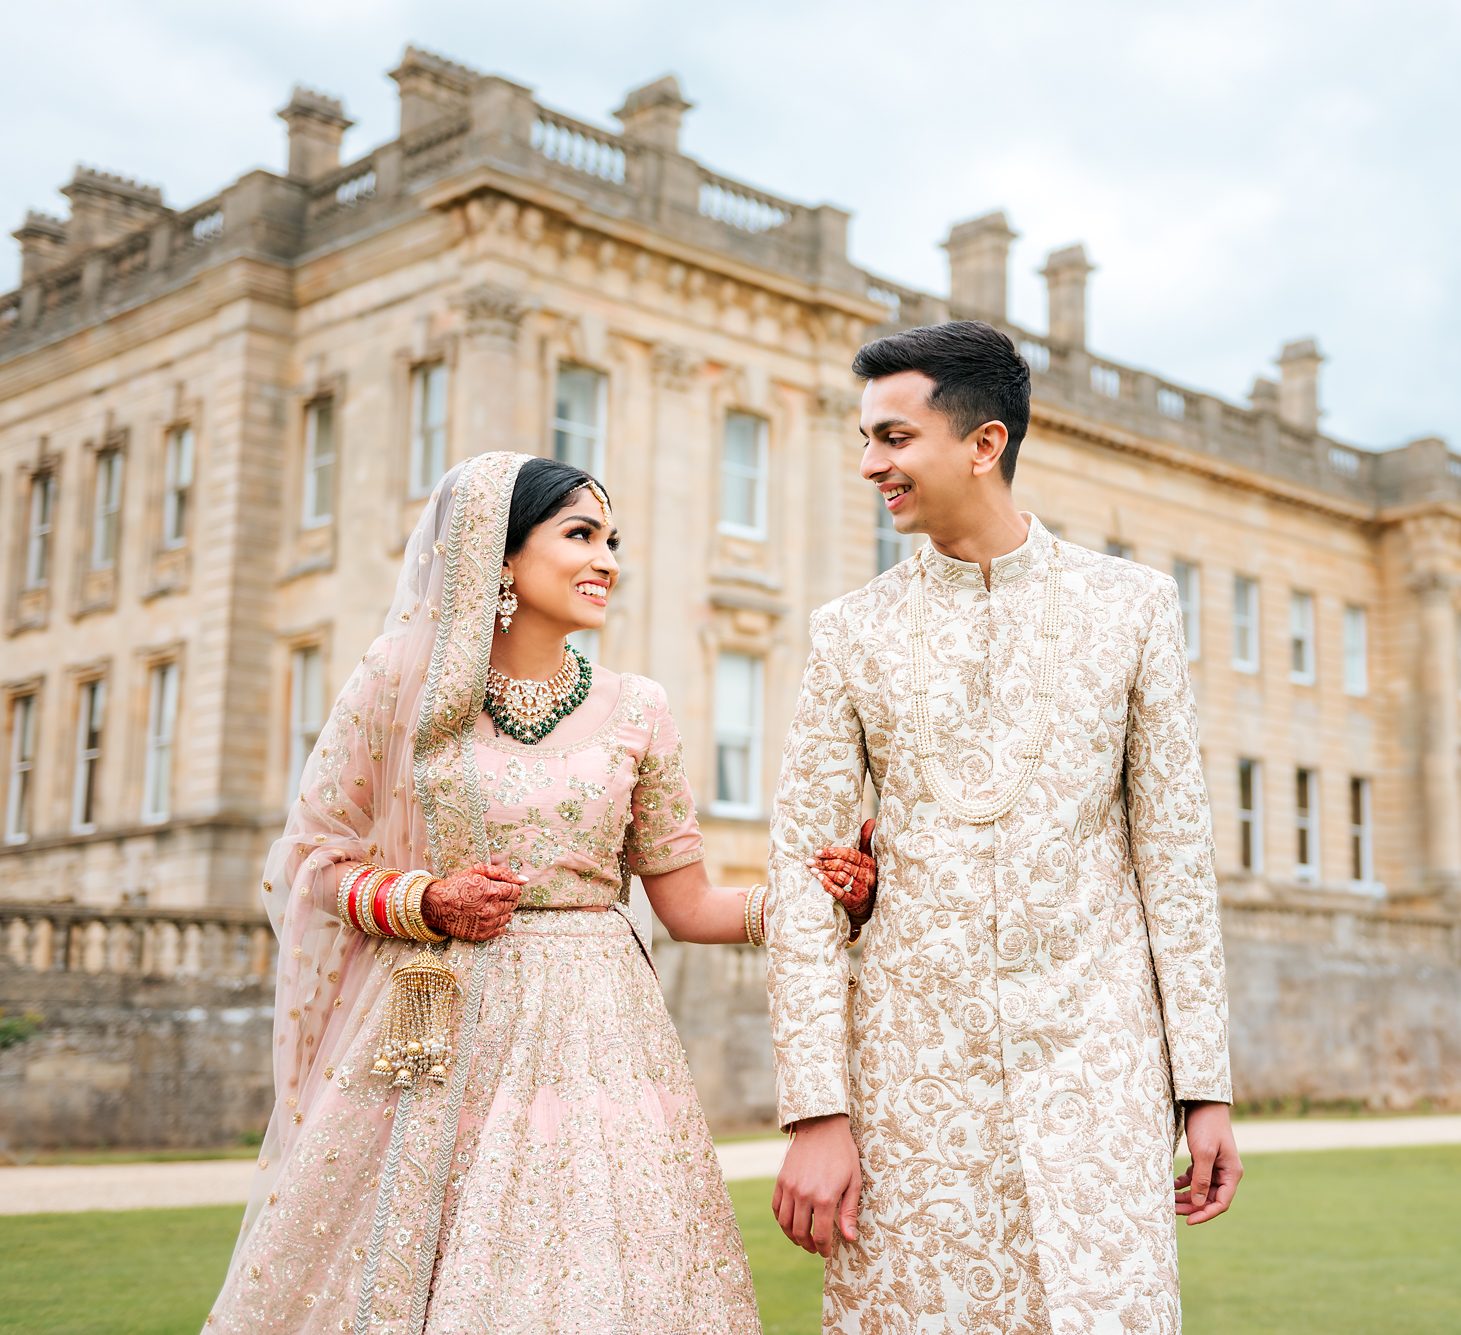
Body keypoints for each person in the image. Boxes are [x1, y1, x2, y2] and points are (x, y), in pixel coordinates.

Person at [207, 451, 874, 1334]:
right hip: (435, 1023)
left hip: (602, 1031)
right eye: (581, 535)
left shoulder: (640, 708)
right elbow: (309, 862)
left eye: (614, 540)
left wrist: (823, 903)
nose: (608, 559)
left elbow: (688, 906)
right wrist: (427, 899)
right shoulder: (401, 686)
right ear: (501, 553)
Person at [766, 321, 1243, 1334]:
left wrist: (1204, 1087)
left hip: (1099, 1072)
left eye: (891, 438)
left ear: (983, 444)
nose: (868, 464)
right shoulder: (847, 633)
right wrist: (816, 1109)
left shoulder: (1132, 609)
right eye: (863, 439)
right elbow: (803, 877)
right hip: (911, 1085)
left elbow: (1174, 860)